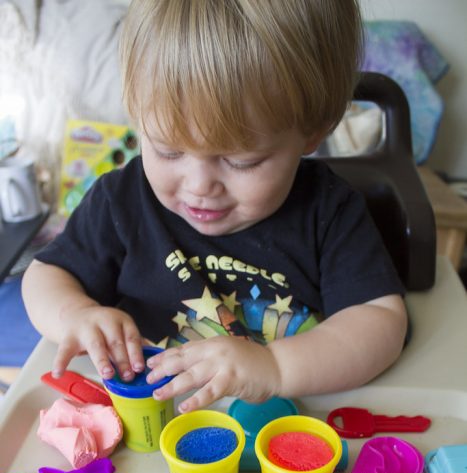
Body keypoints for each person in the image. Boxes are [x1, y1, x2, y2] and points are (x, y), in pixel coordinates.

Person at [22, 0, 407, 414]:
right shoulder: (121, 202)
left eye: (242, 160)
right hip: (157, 427)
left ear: (313, 131)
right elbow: (45, 275)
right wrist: (77, 314)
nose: (199, 185)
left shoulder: (329, 211)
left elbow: (380, 322)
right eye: (168, 150)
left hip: (286, 428)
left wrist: (276, 366)